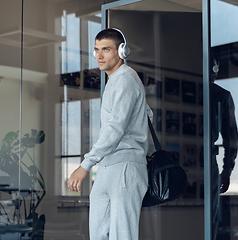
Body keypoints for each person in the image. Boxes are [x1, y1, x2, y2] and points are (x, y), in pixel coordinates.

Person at [67, 28, 152, 240]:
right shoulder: (115, 81)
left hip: (125, 167)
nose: (99, 55)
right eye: (96, 50)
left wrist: (85, 165)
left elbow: (115, 129)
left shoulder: (126, 79)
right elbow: (147, 114)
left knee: (123, 235)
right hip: (108, 165)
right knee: (98, 234)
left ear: (121, 51)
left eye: (106, 49)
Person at [211, 54, 238, 239]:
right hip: (207, 165)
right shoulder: (221, 95)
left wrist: (227, 170)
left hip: (205, 163)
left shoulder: (221, 96)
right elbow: (231, 137)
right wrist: (226, 170)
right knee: (210, 218)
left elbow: (231, 138)